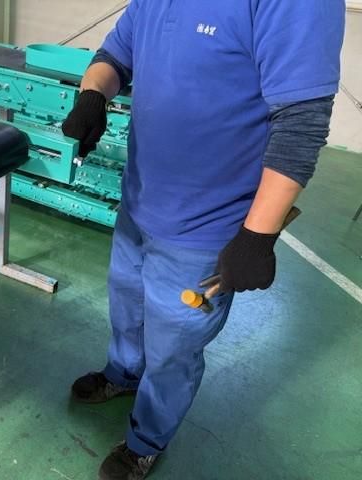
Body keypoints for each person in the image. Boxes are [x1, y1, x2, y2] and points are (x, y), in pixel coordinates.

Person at [61, 1, 346, 478]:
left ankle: (146, 439)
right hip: (140, 200)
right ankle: (124, 374)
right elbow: (115, 56)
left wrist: (256, 236)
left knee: (174, 346)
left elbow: (301, 121)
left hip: (207, 227)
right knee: (127, 304)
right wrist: (93, 95)